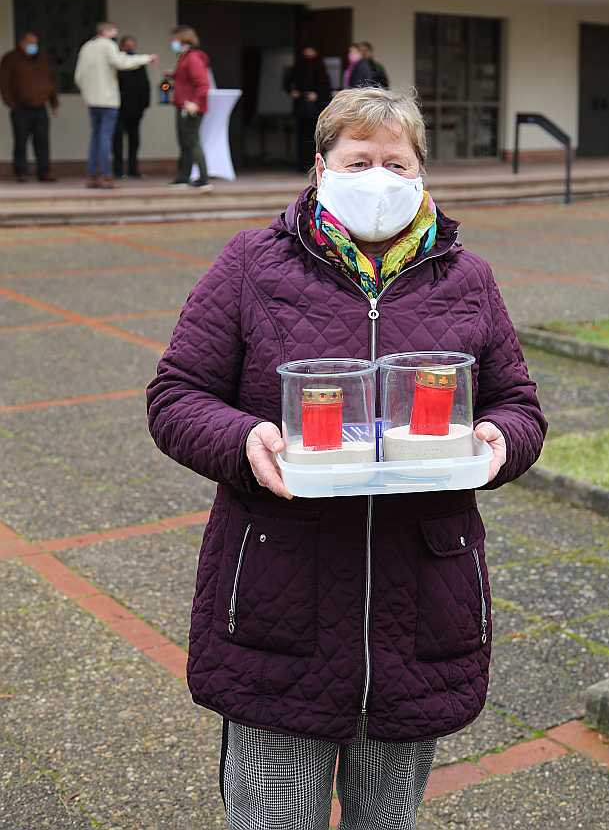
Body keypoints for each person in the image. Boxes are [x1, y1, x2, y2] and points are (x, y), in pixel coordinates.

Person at [147, 86, 547, 830]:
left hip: (421, 605)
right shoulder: (252, 265)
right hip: (280, 596)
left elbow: (518, 404)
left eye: (398, 162)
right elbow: (176, 396)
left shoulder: (468, 278)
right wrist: (243, 440)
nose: (380, 178)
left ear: (423, 174)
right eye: (359, 159)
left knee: (387, 820)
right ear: (321, 167)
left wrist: (499, 441)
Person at [74, 21, 156, 189]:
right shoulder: (108, 45)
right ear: (106, 32)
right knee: (105, 137)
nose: (116, 34)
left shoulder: (86, 47)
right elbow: (120, 62)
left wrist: (87, 94)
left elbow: (79, 76)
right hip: (108, 100)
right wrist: (146, 59)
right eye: (114, 31)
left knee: (95, 137)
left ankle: (92, 175)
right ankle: (106, 175)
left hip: (92, 101)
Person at [0, 31, 59, 182]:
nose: (33, 46)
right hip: (20, 108)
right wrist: (11, 103)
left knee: (42, 141)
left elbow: (51, 81)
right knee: (20, 141)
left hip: (40, 107)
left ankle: (44, 171)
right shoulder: (11, 59)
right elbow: (4, 83)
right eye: (30, 43)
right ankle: (21, 172)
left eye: (35, 43)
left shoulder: (43, 59)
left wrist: (54, 103)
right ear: (22, 43)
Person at [168, 25, 213, 190]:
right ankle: (183, 177)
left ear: (182, 39)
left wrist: (195, 102)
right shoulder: (185, 57)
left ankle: (203, 178)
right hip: (184, 105)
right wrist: (171, 75)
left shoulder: (193, 58)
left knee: (192, 141)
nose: (172, 42)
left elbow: (203, 83)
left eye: (174, 39)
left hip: (191, 107)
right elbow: (185, 79)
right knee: (185, 142)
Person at [284, 46, 331, 172]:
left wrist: (317, 95)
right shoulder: (298, 67)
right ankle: (302, 164)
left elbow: (326, 87)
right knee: (301, 136)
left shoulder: (320, 69)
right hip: (301, 107)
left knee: (314, 136)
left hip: (316, 108)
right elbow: (288, 83)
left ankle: (313, 164)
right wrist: (293, 92)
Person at [112, 35, 151, 179]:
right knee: (117, 141)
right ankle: (118, 170)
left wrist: (145, 104)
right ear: (121, 47)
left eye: (132, 46)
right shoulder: (118, 62)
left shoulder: (138, 62)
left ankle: (133, 169)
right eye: (127, 46)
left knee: (134, 140)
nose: (130, 49)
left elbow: (145, 85)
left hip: (136, 108)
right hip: (119, 107)